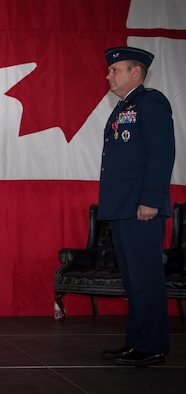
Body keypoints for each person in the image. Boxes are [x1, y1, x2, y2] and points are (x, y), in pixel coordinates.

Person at [98, 46, 175, 366]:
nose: (108, 76)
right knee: (133, 280)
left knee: (146, 278)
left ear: (136, 72)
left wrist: (151, 199)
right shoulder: (124, 107)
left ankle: (153, 345)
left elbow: (161, 153)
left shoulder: (151, 102)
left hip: (141, 207)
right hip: (122, 207)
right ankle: (137, 342)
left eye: (115, 70)